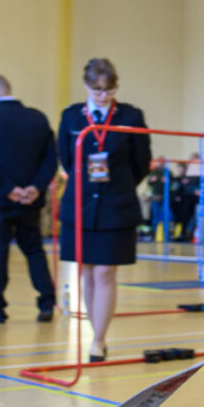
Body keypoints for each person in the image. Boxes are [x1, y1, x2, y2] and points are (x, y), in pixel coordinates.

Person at [58, 58, 151, 361]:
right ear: (86, 86)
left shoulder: (131, 116)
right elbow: (67, 161)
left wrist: (118, 186)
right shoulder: (72, 116)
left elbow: (141, 163)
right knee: (86, 271)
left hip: (116, 204)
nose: (102, 95)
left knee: (105, 272)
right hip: (81, 204)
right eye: (97, 89)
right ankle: (92, 331)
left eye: (108, 89)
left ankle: (99, 339)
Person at [0, 74, 57, 324]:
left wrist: (8, 189)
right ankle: (47, 302)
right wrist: (35, 188)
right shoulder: (38, 119)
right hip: (31, 200)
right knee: (34, 250)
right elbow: (51, 158)